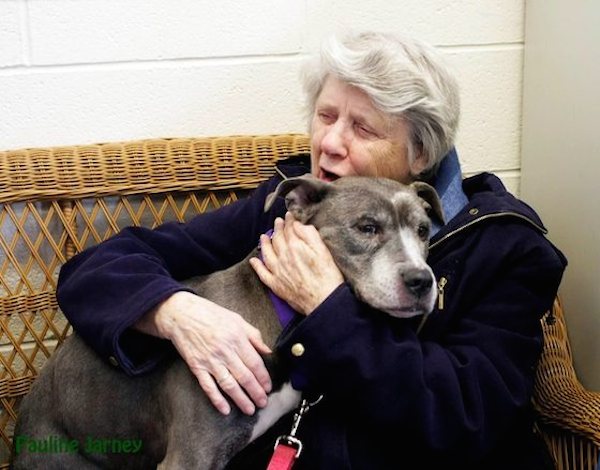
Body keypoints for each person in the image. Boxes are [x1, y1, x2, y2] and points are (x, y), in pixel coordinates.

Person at [56, 31, 566, 469]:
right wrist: (176, 312)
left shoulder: (506, 248)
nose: (330, 143)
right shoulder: (294, 203)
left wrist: (328, 309)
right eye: (326, 116)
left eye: (362, 127)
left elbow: (465, 417)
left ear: (422, 153)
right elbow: (99, 268)